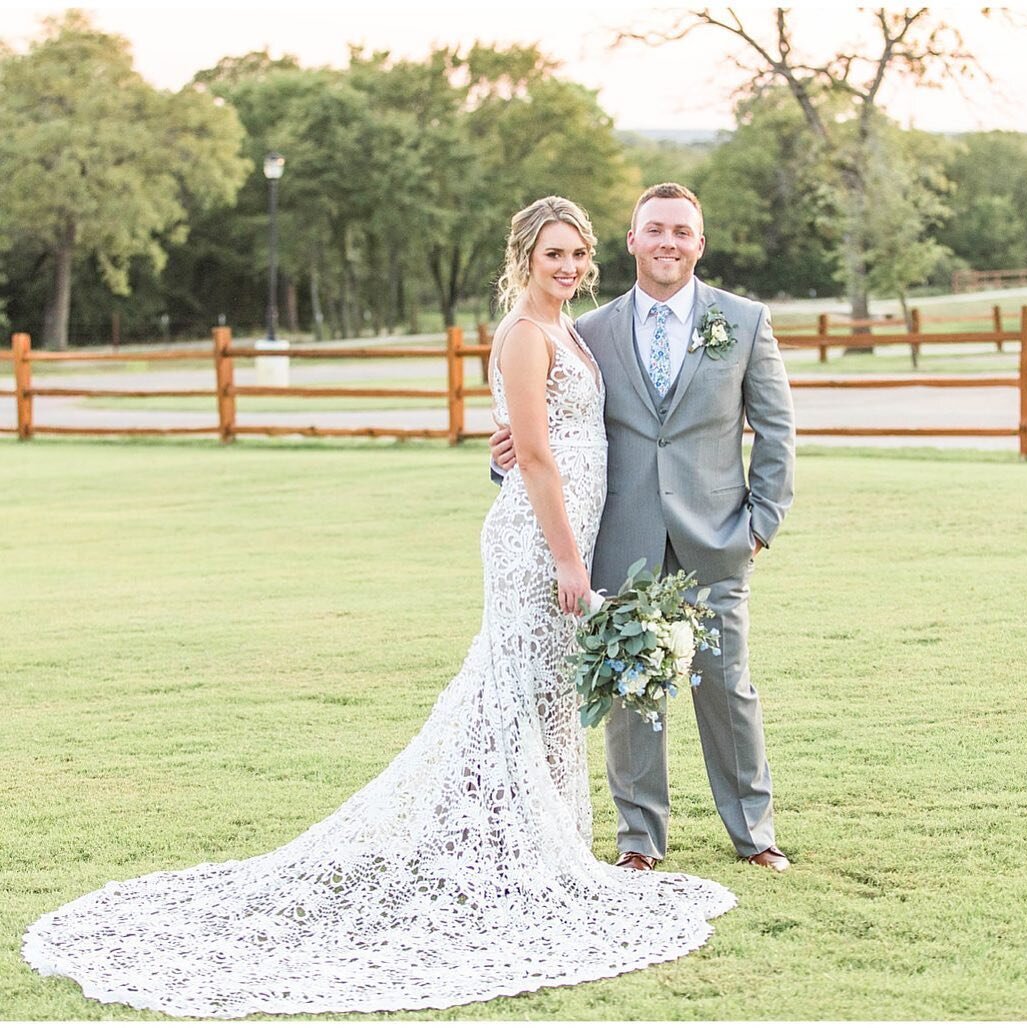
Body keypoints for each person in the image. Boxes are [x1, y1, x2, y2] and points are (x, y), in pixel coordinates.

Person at [22, 196, 733, 1019]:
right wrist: (569, 560)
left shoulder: (570, 329)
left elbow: (560, 433)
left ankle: (521, 848)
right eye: (553, 256)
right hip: (539, 544)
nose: (569, 268)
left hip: (570, 528)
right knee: (509, 698)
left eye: (578, 254)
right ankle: (493, 852)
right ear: (523, 260)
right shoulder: (522, 335)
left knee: (536, 705)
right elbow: (534, 454)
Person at [492, 182, 795, 874]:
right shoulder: (586, 331)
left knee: (727, 685)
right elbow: (551, 436)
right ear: (631, 241)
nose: (667, 242)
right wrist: (500, 457)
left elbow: (776, 430)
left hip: (715, 538)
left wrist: (758, 525)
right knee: (629, 689)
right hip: (619, 541)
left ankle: (754, 832)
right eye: (653, 229)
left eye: (681, 232)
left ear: (698, 243)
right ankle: (638, 841)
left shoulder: (743, 322)